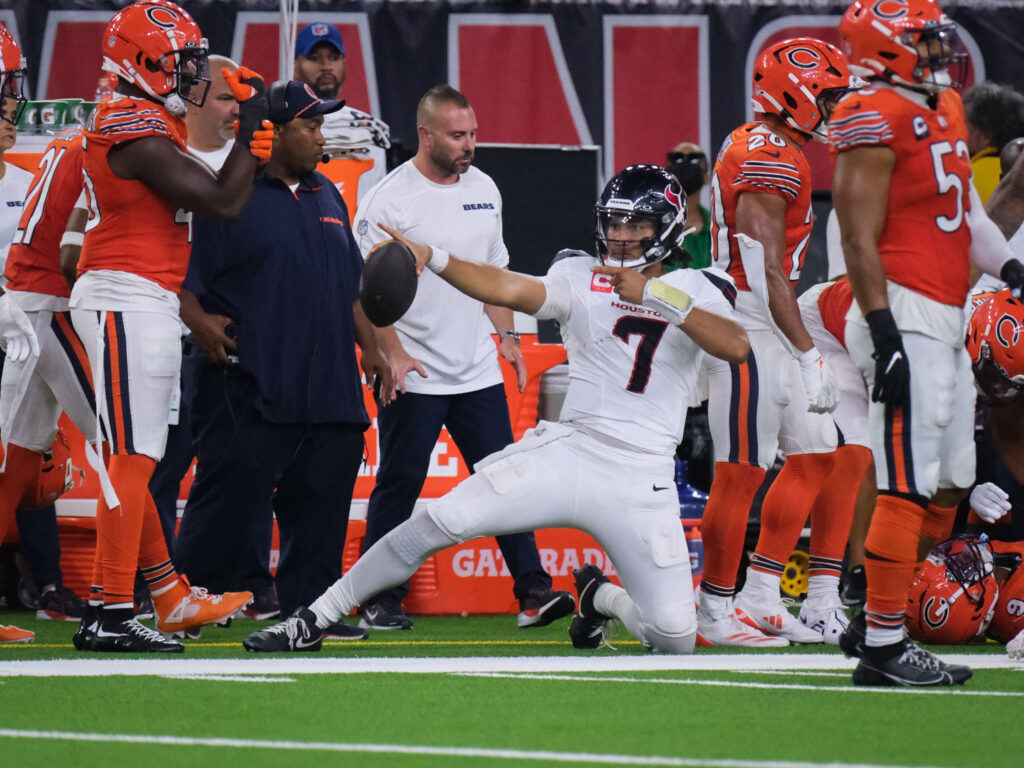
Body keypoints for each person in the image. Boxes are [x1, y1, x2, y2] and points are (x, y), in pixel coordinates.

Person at [242, 164, 749, 654]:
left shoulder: (699, 287)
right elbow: (507, 286)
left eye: (635, 224)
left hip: (645, 476)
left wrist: (655, 294)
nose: (620, 236)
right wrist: (434, 256)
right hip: (573, 452)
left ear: (665, 228)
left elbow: (734, 344)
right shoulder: (581, 275)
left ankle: (601, 597)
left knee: (674, 637)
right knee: (441, 519)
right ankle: (314, 616)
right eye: (613, 222)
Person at [66, 0, 274, 652]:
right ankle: (110, 611)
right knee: (132, 461)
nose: (190, 75)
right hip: (127, 295)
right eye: (180, 62)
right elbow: (219, 201)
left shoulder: (145, 116)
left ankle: (154, 596)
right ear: (145, 62)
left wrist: (247, 141)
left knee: (131, 456)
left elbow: (209, 188)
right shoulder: (129, 119)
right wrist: (254, 134)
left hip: (136, 297)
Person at [830, 0, 1024, 686]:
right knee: (906, 483)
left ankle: (877, 619)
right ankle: (884, 644)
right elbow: (857, 235)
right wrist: (884, 333)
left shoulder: (939, 105)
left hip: (942, 315)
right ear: (884, 47)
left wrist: (1013, 270)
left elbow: (965, 213)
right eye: (921, 39)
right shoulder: (870, 111)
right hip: (904, 311)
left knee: (949, 478)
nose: (938, 50)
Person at [350, 84, 573, 631]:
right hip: (415, 371)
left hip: (475, 370)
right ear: (426, 136)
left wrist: (509, 338)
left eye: (473, 133)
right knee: (399, 485)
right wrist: (393, 354)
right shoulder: (388, 199)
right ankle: (381, 597)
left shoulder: (486, 188)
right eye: (457, 135)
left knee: (502, 480)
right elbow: (363, 291)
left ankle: (534, 593)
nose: (469, 144)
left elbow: (494, 272)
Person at [174, 80, 391, 640]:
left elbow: (350, 287)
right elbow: (174, 273)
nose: (322, 136)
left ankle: (310, 611)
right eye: (311, 126)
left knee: (321, 499)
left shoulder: (328, 195)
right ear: (270, 131)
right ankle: (187, 605)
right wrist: (194, 317)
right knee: (226, 496)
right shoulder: (226, 195)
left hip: (326, 384)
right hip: (248, 377)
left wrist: (373, 347)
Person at [695, 38, 860, 647]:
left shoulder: (768, 144)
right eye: (827, 93)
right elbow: (766, 272)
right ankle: (715, 607)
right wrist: (809, 351)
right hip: (746, 321)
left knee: (817, 454)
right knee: (740, 469)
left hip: (762, 315)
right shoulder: (771, 155)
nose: (834, 106)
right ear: (793, 91)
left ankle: (761, 594)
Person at [148, 55, 243, 556]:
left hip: (230, 347)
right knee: (158, 468)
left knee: (234, 468)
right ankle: (151, 584)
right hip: (168, 337)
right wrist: (194, 318)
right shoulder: (161, 156)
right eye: (227, 97)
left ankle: (229, 577)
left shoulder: (247, 165)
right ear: (193, 99)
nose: (237, 110)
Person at [293, 22, 390, 201]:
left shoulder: (367, 129)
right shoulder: (283, 125)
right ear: (295, 66)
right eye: (314, 58)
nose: (326, 66)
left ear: (344, 63)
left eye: (334, 57)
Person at [961, 82, 1024, 205]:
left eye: (962, 122)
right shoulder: (1018, 171)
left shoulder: (967, 178)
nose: (956, 128)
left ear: (984, 136)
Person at [665, 143, 711, 269]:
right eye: (677, 159)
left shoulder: (718, 227)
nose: (685, 165)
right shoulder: (651, 226)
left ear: (707, 177)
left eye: (694, 159)